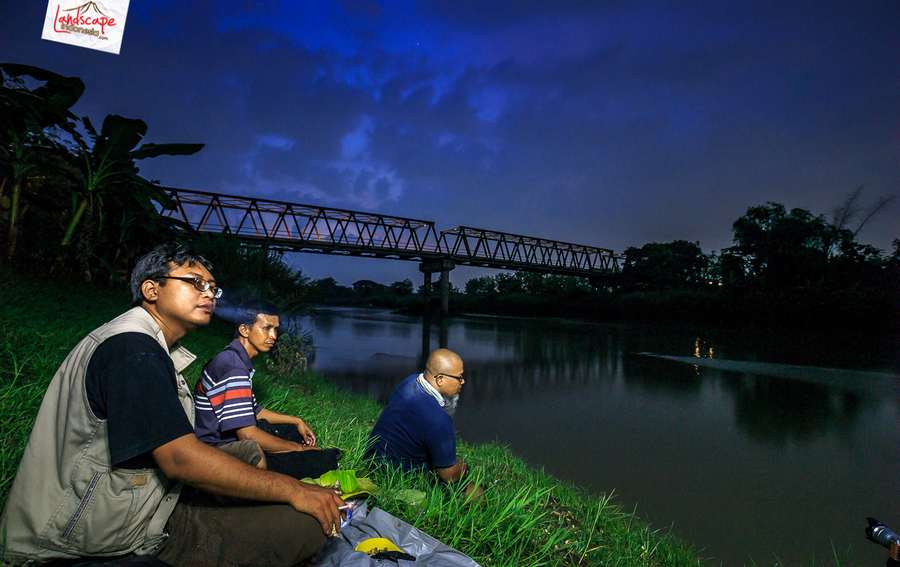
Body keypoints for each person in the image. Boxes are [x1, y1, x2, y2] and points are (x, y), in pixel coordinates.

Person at [0, 244, 344, 566]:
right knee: (306, 523)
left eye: (212, 287)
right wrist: (295, 490)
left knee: (255, 459)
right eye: (195, 283)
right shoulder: (135, 351)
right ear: (152, 290)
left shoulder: (144, 343)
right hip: (88, 534)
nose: (208, 293)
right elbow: (179, 459)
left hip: (136, 500)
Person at [194, 309, 340, 479]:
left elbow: (254, 410)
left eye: (275, 329)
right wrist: (300, 449)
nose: (274, 336)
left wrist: (297, 420)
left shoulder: (234, 358)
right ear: (244, 330)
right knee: (324, 460)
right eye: (266, 328)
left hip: (224, 435)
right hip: (218, 448)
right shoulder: (234, 368)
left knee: (293, 431)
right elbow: (247, 434)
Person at [367, 348, 471, 485]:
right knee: (472, 489)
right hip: (399, 478)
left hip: (371, 461)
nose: (463, 382)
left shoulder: (409, 382)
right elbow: (448, 476)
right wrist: (463, 467)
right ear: (440, 379)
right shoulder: (439, 419)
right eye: (459, 377)